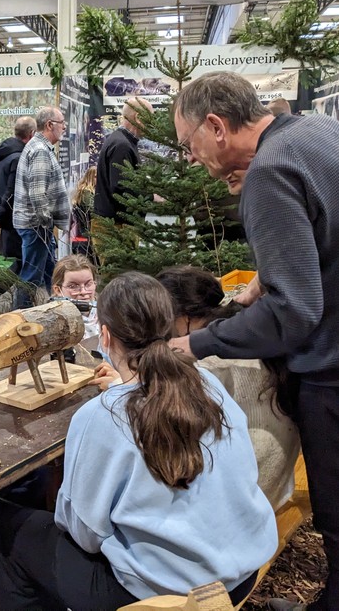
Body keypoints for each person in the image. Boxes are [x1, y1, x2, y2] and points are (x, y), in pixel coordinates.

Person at [0, 272, 278, 611]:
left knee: (19, 534)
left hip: (166, 595)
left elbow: (84, 535)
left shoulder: (102, 417)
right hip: (239, 576)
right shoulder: (209, 385)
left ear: (106, 336)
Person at [171, 71, 339, 611]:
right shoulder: (317, 132)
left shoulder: (268, 174)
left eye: (188, 144)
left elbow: (295, 312)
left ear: (216, 126)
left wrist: (199, 345)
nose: (190, 158)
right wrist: (270, 275)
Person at [156, 265, 300, 511]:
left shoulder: (207, 367)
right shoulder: (255, 340)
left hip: (243, 506)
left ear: (184, 319)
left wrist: (121, 384)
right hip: (277, 489)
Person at [12, 107, 70, 308]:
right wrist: (46, 223)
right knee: (30, 278)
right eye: (62, 122)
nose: (64, 126)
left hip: (37, 226)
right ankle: (18, 320)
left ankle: (58, 310)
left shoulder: (40, 147)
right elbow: (37, 194)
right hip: (36, 226)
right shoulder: (39, 151)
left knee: (50, 274)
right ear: (49, 125)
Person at [93, 97, 153, 227]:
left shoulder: (122, 141)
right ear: (138, 117)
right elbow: (121, 188)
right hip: (115, 227)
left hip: (116, 224)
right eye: (149, 118)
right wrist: (151, 196)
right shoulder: (122, 145)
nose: (151, 124)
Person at [0, 115, 37, 276]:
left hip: (6, 216)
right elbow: (11, 190)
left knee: (15, 265)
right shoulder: (19, 158)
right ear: (32, 134)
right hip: (14, 219)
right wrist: (1, 214)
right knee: (18, 267)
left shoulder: (6, 155)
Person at [70, 165, 97, 257]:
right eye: (96, 177)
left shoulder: (90, 192)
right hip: (88, 233)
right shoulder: (86, 193)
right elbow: (93, 212)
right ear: (90, 177)